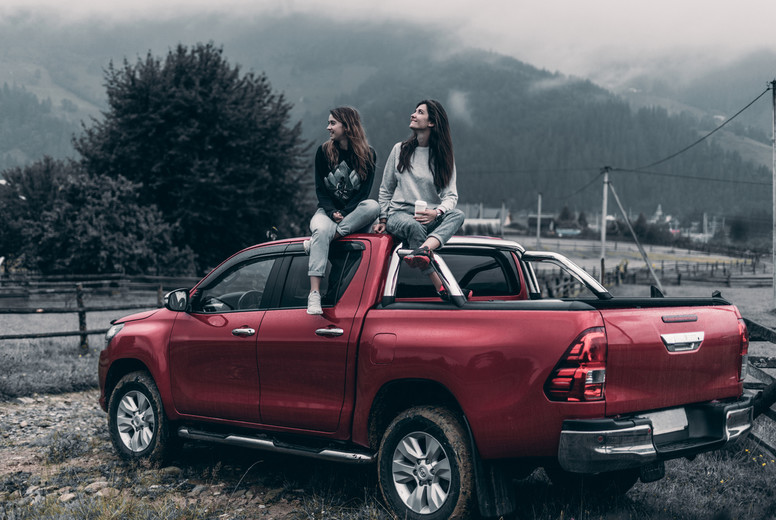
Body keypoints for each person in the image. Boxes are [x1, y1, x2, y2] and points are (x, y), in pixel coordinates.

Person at [374, 99, 465, 297]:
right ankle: (438, 284)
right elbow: (385, 190)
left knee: (457, 215)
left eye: (420, 112)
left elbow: (450, 196)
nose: (413, 115)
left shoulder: (443, 157)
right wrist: (383, 218)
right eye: (414, 111)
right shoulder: (400, 149)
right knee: (414, 227)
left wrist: (437, 212)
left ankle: (422, 250)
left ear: (431, 122)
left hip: (429, 216)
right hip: (399, 215)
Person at [306, 107, 379, 315]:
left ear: (347, 126)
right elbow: (321, 190)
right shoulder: (323, 152)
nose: (327, 127)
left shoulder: (367, 154)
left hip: (352, 214)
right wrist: (331, 213)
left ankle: (321, 242)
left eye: (332, 123)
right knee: (320, 228)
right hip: (327, 213)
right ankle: (314, 294)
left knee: (373, 206)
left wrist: (345, 213)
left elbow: (363, 194)